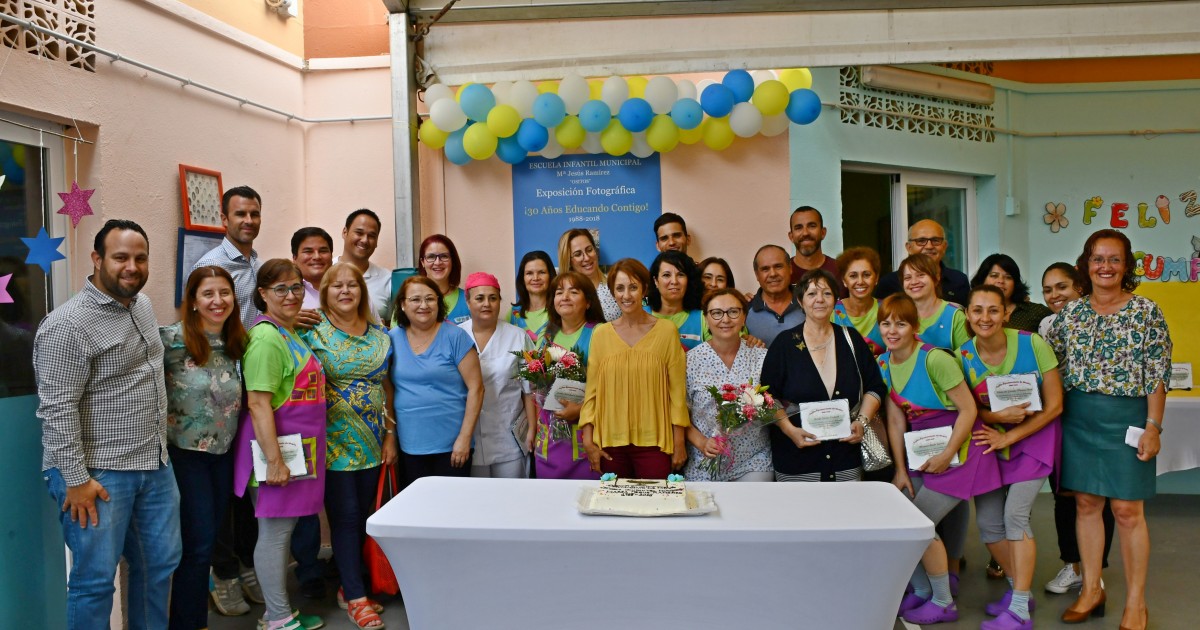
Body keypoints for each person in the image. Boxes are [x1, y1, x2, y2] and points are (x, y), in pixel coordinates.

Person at [35, 219, 181, 630]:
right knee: (95, 583)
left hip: (153, 464)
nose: (131, 266)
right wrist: (76, 479)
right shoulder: (68, 326)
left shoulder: (143, 306)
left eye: (139, 257)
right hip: (97, 474)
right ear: (97, 259)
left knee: (159, 566)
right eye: (120, 257)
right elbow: (56, 410)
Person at [1046, 229, 1171, 630]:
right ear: (1086, 264)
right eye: (1098, 259)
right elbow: (1052, 367)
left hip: (1129, 418)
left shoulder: (1146, 312)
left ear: (1126, 266)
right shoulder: (1071, 315)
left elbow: (1156, 374)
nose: (1105, 267)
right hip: (1079, 417)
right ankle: (1091, 589)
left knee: (1128, 510)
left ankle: (1136, 602)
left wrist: (1153, 426)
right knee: (1086, 505)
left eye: (1114, 259)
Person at [880, 293, 997, 626]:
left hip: (960, 449)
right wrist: (901, 470)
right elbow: (895, 418)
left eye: (900, 323)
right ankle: (921, 590)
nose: (892, 330)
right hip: (920, 450)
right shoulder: (884, 363)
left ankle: (944, 601)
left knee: (918, 525)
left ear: (914, 327)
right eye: (886, 323)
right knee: (899, 517)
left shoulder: (936, 359)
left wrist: (947, 455)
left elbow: (969, 410)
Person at [959, 285, 1064, 629]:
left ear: (1006, 313)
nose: (984, 318)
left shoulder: (1032, 344)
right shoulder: (962, 356)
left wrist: (1012, 433)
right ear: (967, 315)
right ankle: (1019, 589)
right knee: (990, 526)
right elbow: (968, 410)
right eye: (977, 311)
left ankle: (1019, 608)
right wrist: (995, 421)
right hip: (992, 441)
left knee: (1015, 517)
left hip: (1034, 438)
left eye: (993, 310)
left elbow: (1055, 406)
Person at [231, 259, 327, 630]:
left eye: (297, 287)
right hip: (277, 455)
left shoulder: (288, 332)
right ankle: (277, 618)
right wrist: (274, 461)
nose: (291, 295)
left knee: (281, 532)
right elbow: (258, 403)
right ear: (262, 295)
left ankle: (278, 611)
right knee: (274, 535)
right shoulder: (267, 338)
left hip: (296, 453)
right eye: (281, 289)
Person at [301, 261, 395, 629]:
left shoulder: (379, 334)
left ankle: (349, 587)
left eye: (351, 285)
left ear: (361, 291)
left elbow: (387, 387)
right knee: (345, 516)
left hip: (373, 440)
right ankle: (357, 597)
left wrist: (391, 435)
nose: (344, 291)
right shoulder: (313, 330)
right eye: (336, 285)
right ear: (325, 292)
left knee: (366, 518)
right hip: (333, 440)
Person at [163, 266, 247, 630]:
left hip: (223, 455)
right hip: (186, 457)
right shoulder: (170, 340)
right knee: (197, 546)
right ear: (193, 302)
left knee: (210, 539)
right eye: (208, 294)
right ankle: (188, 622)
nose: (217, 301)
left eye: (224, 293)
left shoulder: (237, 343)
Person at [761, 269, 885, 482]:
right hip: (796, 460)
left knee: (844, 514)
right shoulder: (784, 344)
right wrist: (790, 431)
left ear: (835, 300)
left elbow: (875, 386)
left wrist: (862, 422)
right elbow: (766, 397)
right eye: (811, 294)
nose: (819, 299)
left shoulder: (851, 339)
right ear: (800, 301)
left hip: (845, 457)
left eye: (826, 294)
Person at [1038, 262, 1116, 595]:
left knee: (1099, 497)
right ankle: (1071, 565)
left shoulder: (1103, 320)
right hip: (1058, 420)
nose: (1055, 295)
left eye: (1062, 287)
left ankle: (1093, 570)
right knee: (1065, 496)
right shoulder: (1045, 325)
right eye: (1048, 289)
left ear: (1079, 288)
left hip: (1095, 419)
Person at [579, 259, 689, 478]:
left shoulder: (666, 331)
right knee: (614, 507)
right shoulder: (600, 334)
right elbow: (591, 393)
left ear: (645, 289)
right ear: (612, 293)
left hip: (655, 443)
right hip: (610, 442)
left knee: (656, 507)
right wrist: (588, 439)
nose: (626, 295)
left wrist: (679, 442)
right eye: (619, 288)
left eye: (633, 287)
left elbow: (677, 394)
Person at [389, 276, 484, 480]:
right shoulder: (391, 339)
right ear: (403, 305)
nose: (423, 305)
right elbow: (387, 388)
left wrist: (465, 438)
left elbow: (476, 388)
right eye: (415, 299)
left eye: (430, 299)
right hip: (409, 446)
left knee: (452, 509)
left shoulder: (455, 336)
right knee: (417, 510)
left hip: (452, 448)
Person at [683, 289, 772, 481]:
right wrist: (701, 442)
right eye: (716, 313)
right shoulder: (689, 361)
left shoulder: (761, 357)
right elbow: (679, 413)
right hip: (704, 459)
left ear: (744, 317)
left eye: (733, 311)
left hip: (753, 459)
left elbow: (776, 404)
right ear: (706, 318)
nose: (725, 319)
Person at [460, 272, 538, 479]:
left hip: (509, 438)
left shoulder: (518, 337)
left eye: (493, 298)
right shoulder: (456, 336)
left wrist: (532, 428)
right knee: (477, 504)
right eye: (479, 298)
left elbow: (530, 390)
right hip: (470, 439)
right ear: (467, 302)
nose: (487, 303)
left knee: (513, 501)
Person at [532, 271, 605, 479]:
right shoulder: (545, 335)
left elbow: (612, 388)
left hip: (587, 435)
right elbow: (536, 385)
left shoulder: (600, 333)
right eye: (559, 292)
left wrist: (581, 409)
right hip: (549, 439)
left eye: (573, 292)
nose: (564, 297)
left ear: (588, 302)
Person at [194, 185, 263, 331]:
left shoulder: (257, 265)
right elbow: (198, 324)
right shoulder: (211, 266)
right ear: (224, 219)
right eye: (240, 214)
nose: (249, 221)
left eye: (254, 214)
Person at [876, 219, 971, 305]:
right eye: (921, 241)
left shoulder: (959, 280)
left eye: (935, 240)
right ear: (909, 247)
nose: (929, 246)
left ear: (944, 246)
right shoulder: (888, 283)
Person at [901, 253, 969, 351]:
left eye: (921, 275)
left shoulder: (955, 316)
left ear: (936, 278)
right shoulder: (900, 314)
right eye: (907, 278)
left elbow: (966, 359)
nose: (914, 282)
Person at [970, 253, 1052, 333]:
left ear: (1015, 283)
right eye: (994, 276)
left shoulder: (1036, 311)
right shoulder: (972, 311)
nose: (1001, 281)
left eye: (1008, 277)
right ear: (982, 279)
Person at [744, 245, 804, 347]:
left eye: (778, 266)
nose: (772, 274)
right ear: (757, 275)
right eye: (765, 269)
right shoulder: (745, 308)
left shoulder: (807, 302)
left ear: (790, 268)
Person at [338, 209, 392, 320]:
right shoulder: (326, 270)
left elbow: (392, 324)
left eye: (372, 236)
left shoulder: (387, 279)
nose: (365, 240)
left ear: (377, 241)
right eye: (359, 233)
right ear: (345, 232)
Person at [647, 250, 707, 350]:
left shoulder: (703, 319)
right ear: (656, 281)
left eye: (681, 275)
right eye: (666, 275)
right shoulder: (639, 314)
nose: (674, 281)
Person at [558, 228, 621, 321]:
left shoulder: (614, 285)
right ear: (568, 260)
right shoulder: (562, 296)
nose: (586, 258)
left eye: (589, 249)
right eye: (578, 254)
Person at [833, 247, 886, 356]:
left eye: (866, 275)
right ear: (844, 280)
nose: (860, 281)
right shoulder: (831, 312)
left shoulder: (887, 309)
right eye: (853, 276)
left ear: (876, 278)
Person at [787, 206, 845, 296]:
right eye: (798, 228)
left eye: (812, 226)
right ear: (791, 236)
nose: (805, 233)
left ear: (823, 233)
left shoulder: (841, 270)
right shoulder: (783, 273)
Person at [417, 234, 471, 325]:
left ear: (452, 261)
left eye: (444, 256)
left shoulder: (468, 299)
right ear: (422, 262)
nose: (438, 262)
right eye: (431, 257)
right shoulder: (408, 299)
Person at [292, 226, 334, 331]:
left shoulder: (349, 289)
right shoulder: (284, 294)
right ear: (294, 258)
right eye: (308, 251)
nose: (317, 257)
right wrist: (285, 322)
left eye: (323, 251)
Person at [508, 250, 556, 335]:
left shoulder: (560, 310)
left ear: (550, 276)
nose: (536, 278)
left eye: (542, 272)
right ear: (522, 279)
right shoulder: (513, 314)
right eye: (529, 273)